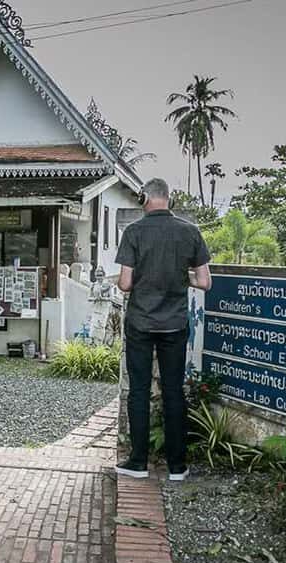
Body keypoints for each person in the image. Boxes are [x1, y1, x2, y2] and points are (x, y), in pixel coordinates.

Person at [113, 178, 212, 481]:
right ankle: (177, 466)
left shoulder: (134, 232)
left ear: (145, 199)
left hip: (141, 323)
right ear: (168, 199)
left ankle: (138, 462)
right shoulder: (189, 231)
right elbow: (205, 282)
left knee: (139, 392)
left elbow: (126, 284)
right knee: (173, 392)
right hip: (175, 325)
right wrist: (184, 280)